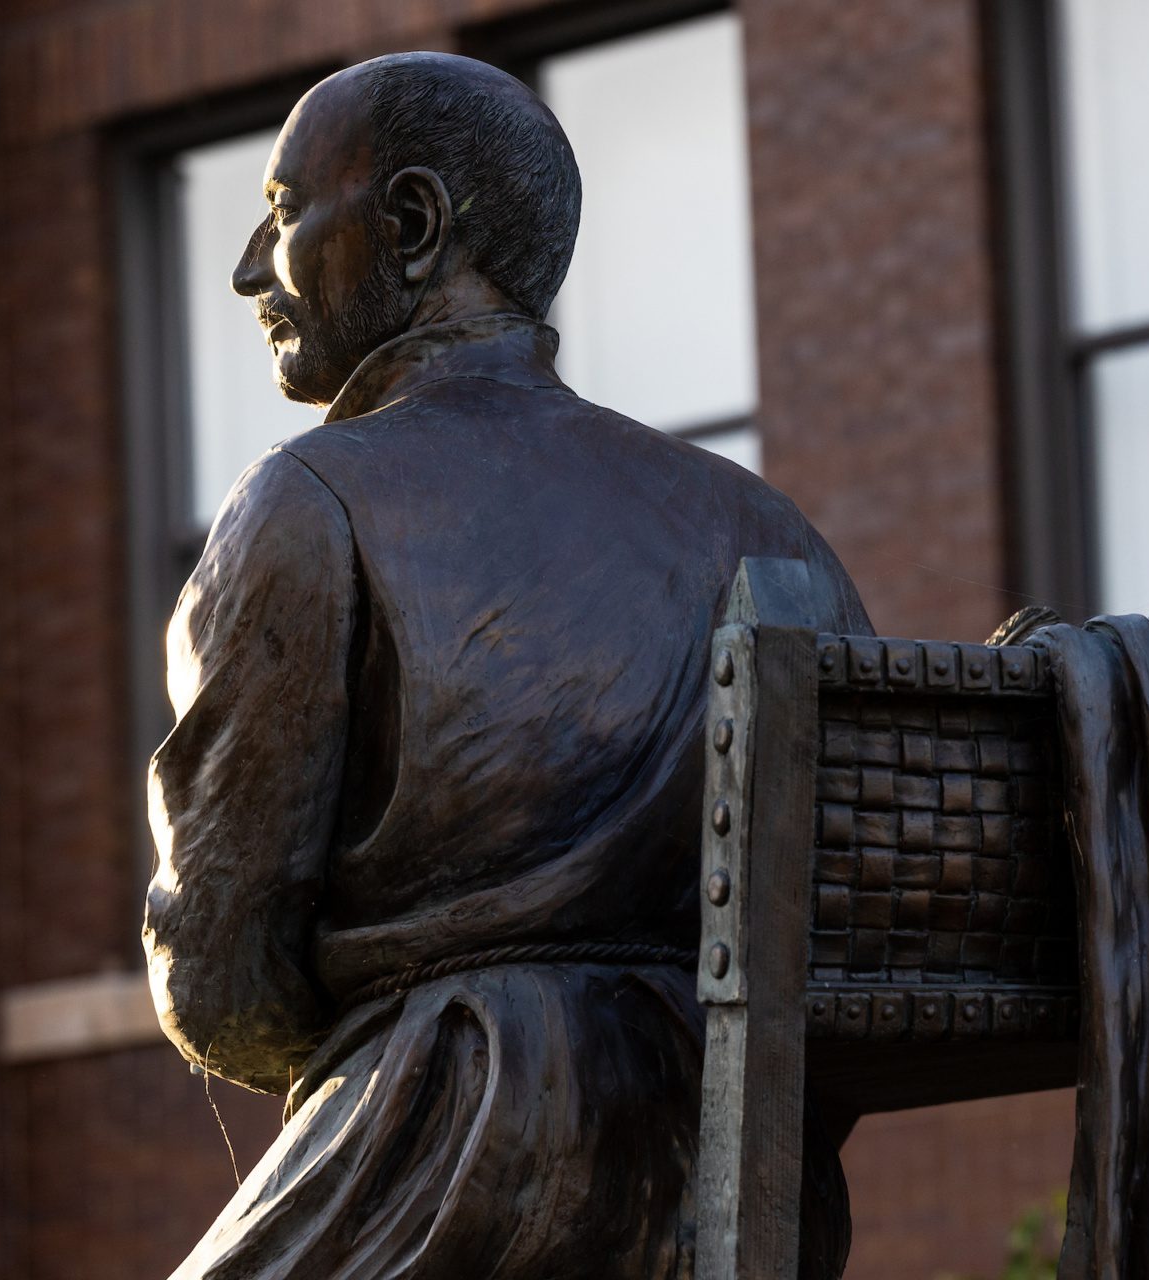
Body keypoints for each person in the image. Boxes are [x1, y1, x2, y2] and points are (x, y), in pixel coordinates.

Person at [143, 51, 867, 1279]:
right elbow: (846, 945)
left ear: (413, 226)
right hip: (743, 1193)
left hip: (434, 1175)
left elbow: (222, 980)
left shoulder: (308, 504)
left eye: (279, 212)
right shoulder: (766, 530)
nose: (250, 270)